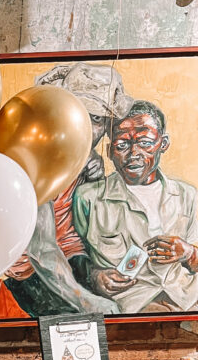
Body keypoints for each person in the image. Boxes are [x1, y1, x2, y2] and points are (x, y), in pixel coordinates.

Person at [3, 62, 131, 317]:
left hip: (68, 260)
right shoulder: (37, 160)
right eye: (78, 114)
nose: (85, 128)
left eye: (97, 120)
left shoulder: (83, 160)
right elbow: (42, 251)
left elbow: (74, 236)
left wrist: (93, 275)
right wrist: (89, 303)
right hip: (30, 273)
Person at [73, 100, 198, 313]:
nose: (133, 153)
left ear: (163, 143)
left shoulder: (187, 195)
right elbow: (72, 255)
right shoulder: (89, 198)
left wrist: (188, 253)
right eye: (122, 145)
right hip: (133, 307)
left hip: (189, 300)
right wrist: (94, 276)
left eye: (145, 142)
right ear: (109, 151)